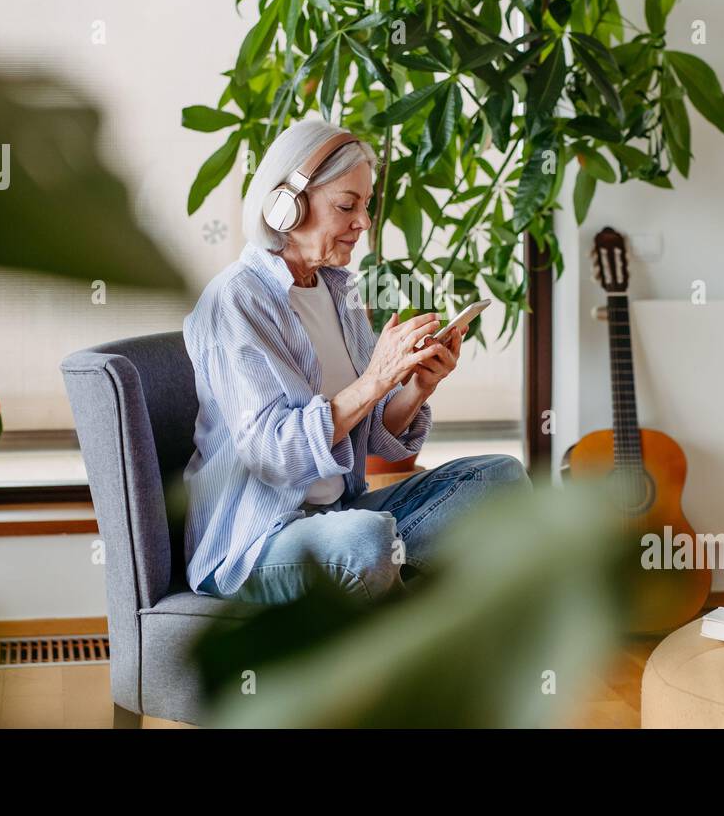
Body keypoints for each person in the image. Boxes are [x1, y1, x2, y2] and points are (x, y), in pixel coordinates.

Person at [182, 118, 529, 604]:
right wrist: (375, 379)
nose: (363, 223)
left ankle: (406, 595)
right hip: (256, 541)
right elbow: (271, 457)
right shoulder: (237, 301)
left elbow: (370, 438)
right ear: (287, 206)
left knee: (499, 479)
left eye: (365, 206)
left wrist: (415, 388)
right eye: (347, 205)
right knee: (367, 540)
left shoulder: (338, 292)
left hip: (339, 518)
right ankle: (405, 611)